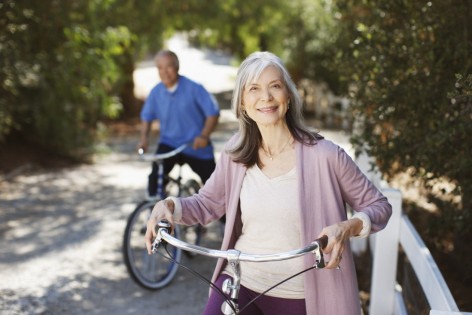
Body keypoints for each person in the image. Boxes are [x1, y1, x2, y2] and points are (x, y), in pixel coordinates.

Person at [145, 51, 392, 315]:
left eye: (275, 86)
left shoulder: (326, 156)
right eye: (254, 89)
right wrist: (169, 205)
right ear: (242, 102)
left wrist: (347, 227)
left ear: (288, 96)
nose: (266, 97)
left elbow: (379, 206)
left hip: (302, 296)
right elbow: (207, 203)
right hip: (240, 282)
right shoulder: (235, 154)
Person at [138, 50, 220, 196]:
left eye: (168, 66)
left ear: (177, 67)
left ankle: (227, 218)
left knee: (217, 190)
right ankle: (155, 214)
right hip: (169, 144)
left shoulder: (194, 89)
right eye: (160, 68)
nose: (165, 72)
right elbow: (147, 117)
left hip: (195, 144)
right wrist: (144, 139)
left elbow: (213, 113)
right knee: (154, 181)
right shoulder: (156, 92)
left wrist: (204, 136)